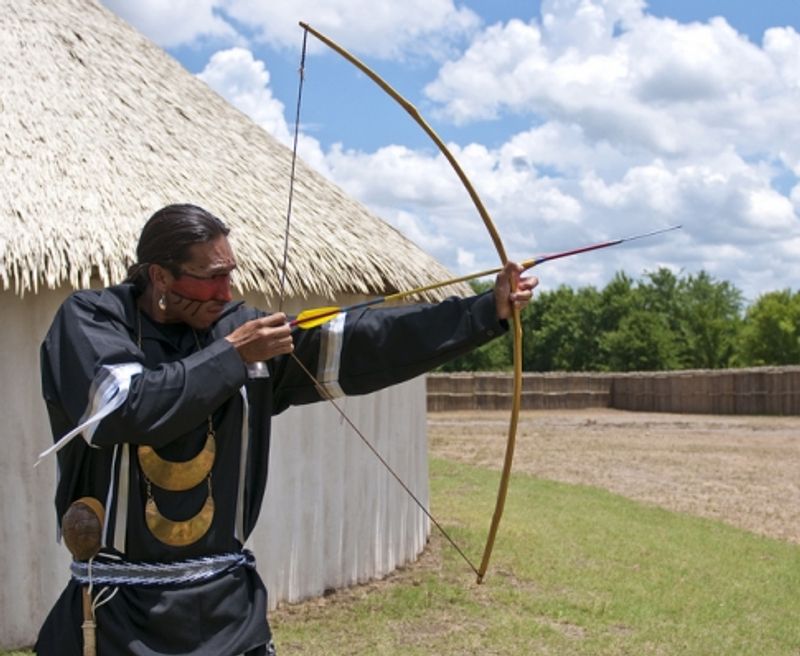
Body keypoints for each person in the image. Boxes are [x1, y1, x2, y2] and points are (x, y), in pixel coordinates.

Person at [35, 204, 537, 656]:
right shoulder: (93, 320)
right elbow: (124, 407)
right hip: (116, 616)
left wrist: (482, 311)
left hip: (228, 613)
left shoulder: (238, 329)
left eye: (230, 274)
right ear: (161, 276)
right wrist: (234, 354)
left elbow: (364, 342)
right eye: (211, 278)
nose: (227, 292)